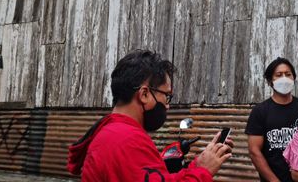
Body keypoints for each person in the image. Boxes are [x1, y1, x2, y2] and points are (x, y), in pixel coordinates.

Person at [67, 50, 233, 181]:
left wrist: (199, 164)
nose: (167, 105)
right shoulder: (127, 140)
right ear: (144, 94)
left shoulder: (113, 132)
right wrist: (203, 172)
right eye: (166, 96)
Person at [245, 57, 298, 182]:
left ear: (294, 78)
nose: (284, 79)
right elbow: (254, 151)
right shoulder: (260, 111)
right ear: (270, 81)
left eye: (288, 74)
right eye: (279, 75)